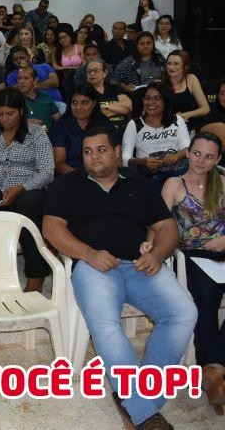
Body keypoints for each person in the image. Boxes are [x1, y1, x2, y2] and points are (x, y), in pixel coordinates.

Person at [43, 127, 195, 430]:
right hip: (93, 267)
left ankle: (137, 399)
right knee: (106, 325)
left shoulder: (139, 185)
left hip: (139, 264)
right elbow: (52, 228)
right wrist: (89, 254)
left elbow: (168, 228)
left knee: (183, 313)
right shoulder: (68, 185)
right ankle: (144, 412)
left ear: (116, 152)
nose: (94, 157)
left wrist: (157, 255)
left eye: (101, 150)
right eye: (87, 151)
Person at [158, 132, 225, 411]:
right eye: (197, 153)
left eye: (209, 156)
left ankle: (214, 368)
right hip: (191, 256)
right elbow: (159, 223)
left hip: (223, 250)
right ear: (187, 152)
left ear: (218, 159)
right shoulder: (175, 184)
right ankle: (214, 371)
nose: (201, 160)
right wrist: (150, 242)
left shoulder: (223, 183)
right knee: (207, 299)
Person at [0, 88, 55, 292]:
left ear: (21, 111)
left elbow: (47, 172)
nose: (5, 119)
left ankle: (36, 275)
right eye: (0, 114)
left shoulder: (36, 134)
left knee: (27, 207)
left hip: (29, 187)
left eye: (10, 113)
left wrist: (21, 188)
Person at [122, 82, 190, 189]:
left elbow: (188, 149)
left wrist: (176, 156)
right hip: (148, 175)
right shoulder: (135, 124)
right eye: (147, 98)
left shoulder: (177, 120)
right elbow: (124, 159)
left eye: (156, 98)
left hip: (176, 172)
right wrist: (142, 161)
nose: (150, 102)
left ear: (165, 101)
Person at [50, 83, 117, 174]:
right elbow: (59, 164)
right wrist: (83, 178)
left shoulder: (104, 125)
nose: (78, 107)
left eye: (84, 102)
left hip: (103, 175)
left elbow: (116, 156)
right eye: (74, 102)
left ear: (94, 103)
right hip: (71, 176)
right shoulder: (60, 126)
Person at [162, 49, 209, 129]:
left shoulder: (191, 79)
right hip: (167, 126)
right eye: (169, 63)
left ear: (185, 66)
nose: (171, 67)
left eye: (176, 64)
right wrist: (173, 118)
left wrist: (183, 116)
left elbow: (205, 109)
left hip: (190, 125)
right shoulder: (160, 83)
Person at [85, 58, 132, 132]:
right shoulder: (85, 91)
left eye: (96, 70)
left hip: (123, 130)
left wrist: (105, 106)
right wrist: (120, 109)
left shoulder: (115, 88)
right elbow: (95, 114)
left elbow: (128, 107)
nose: (92, 73)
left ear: (104, 73)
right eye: (89, 71)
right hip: (100, 131)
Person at [16, 66, 60, 132]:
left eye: (26, 78)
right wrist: (24, 122)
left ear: (35, 80)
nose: (21, 81)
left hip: (49, 135)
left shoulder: (45, 97)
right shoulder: (13, 100)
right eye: (19, 78)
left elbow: (58, 119)